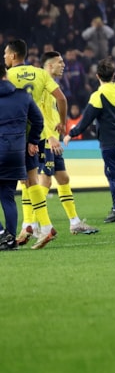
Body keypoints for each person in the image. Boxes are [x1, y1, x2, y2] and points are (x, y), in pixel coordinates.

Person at [6, 39, 67, 249]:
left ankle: (40, 226)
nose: (5, 57)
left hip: (15, 134)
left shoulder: (8, 76)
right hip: (37, 133)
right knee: (29, 181)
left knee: (29, 182)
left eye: (6, 54)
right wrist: (63, 123)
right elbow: (62, 98)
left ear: (13, 56)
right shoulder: (40, 73)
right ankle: (29, 225)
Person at [37, 52, 99, 234]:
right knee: (44, 182)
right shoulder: (41, 84)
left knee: (63, 178)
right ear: (49, 65)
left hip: (52, 139)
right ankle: (34, 225)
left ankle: (74, 222)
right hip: (46, 139)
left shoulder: (51, 83)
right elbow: (38, 113)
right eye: (59, 62)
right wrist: (49, 136)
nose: (63, 65)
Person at [68, 57, 115, 223]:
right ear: (114, 75)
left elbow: (86, 119)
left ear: (97, 76)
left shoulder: (98, 96)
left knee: (114, 175)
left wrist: (71, 133)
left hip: (109, 141)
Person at [0, 61, 42, 250]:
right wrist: (32, 141)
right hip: (16, 153)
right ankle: (10, 239)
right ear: (5, 74)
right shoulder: (22, 96)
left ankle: (3, 234)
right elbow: (38, 120)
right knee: (8, 196)